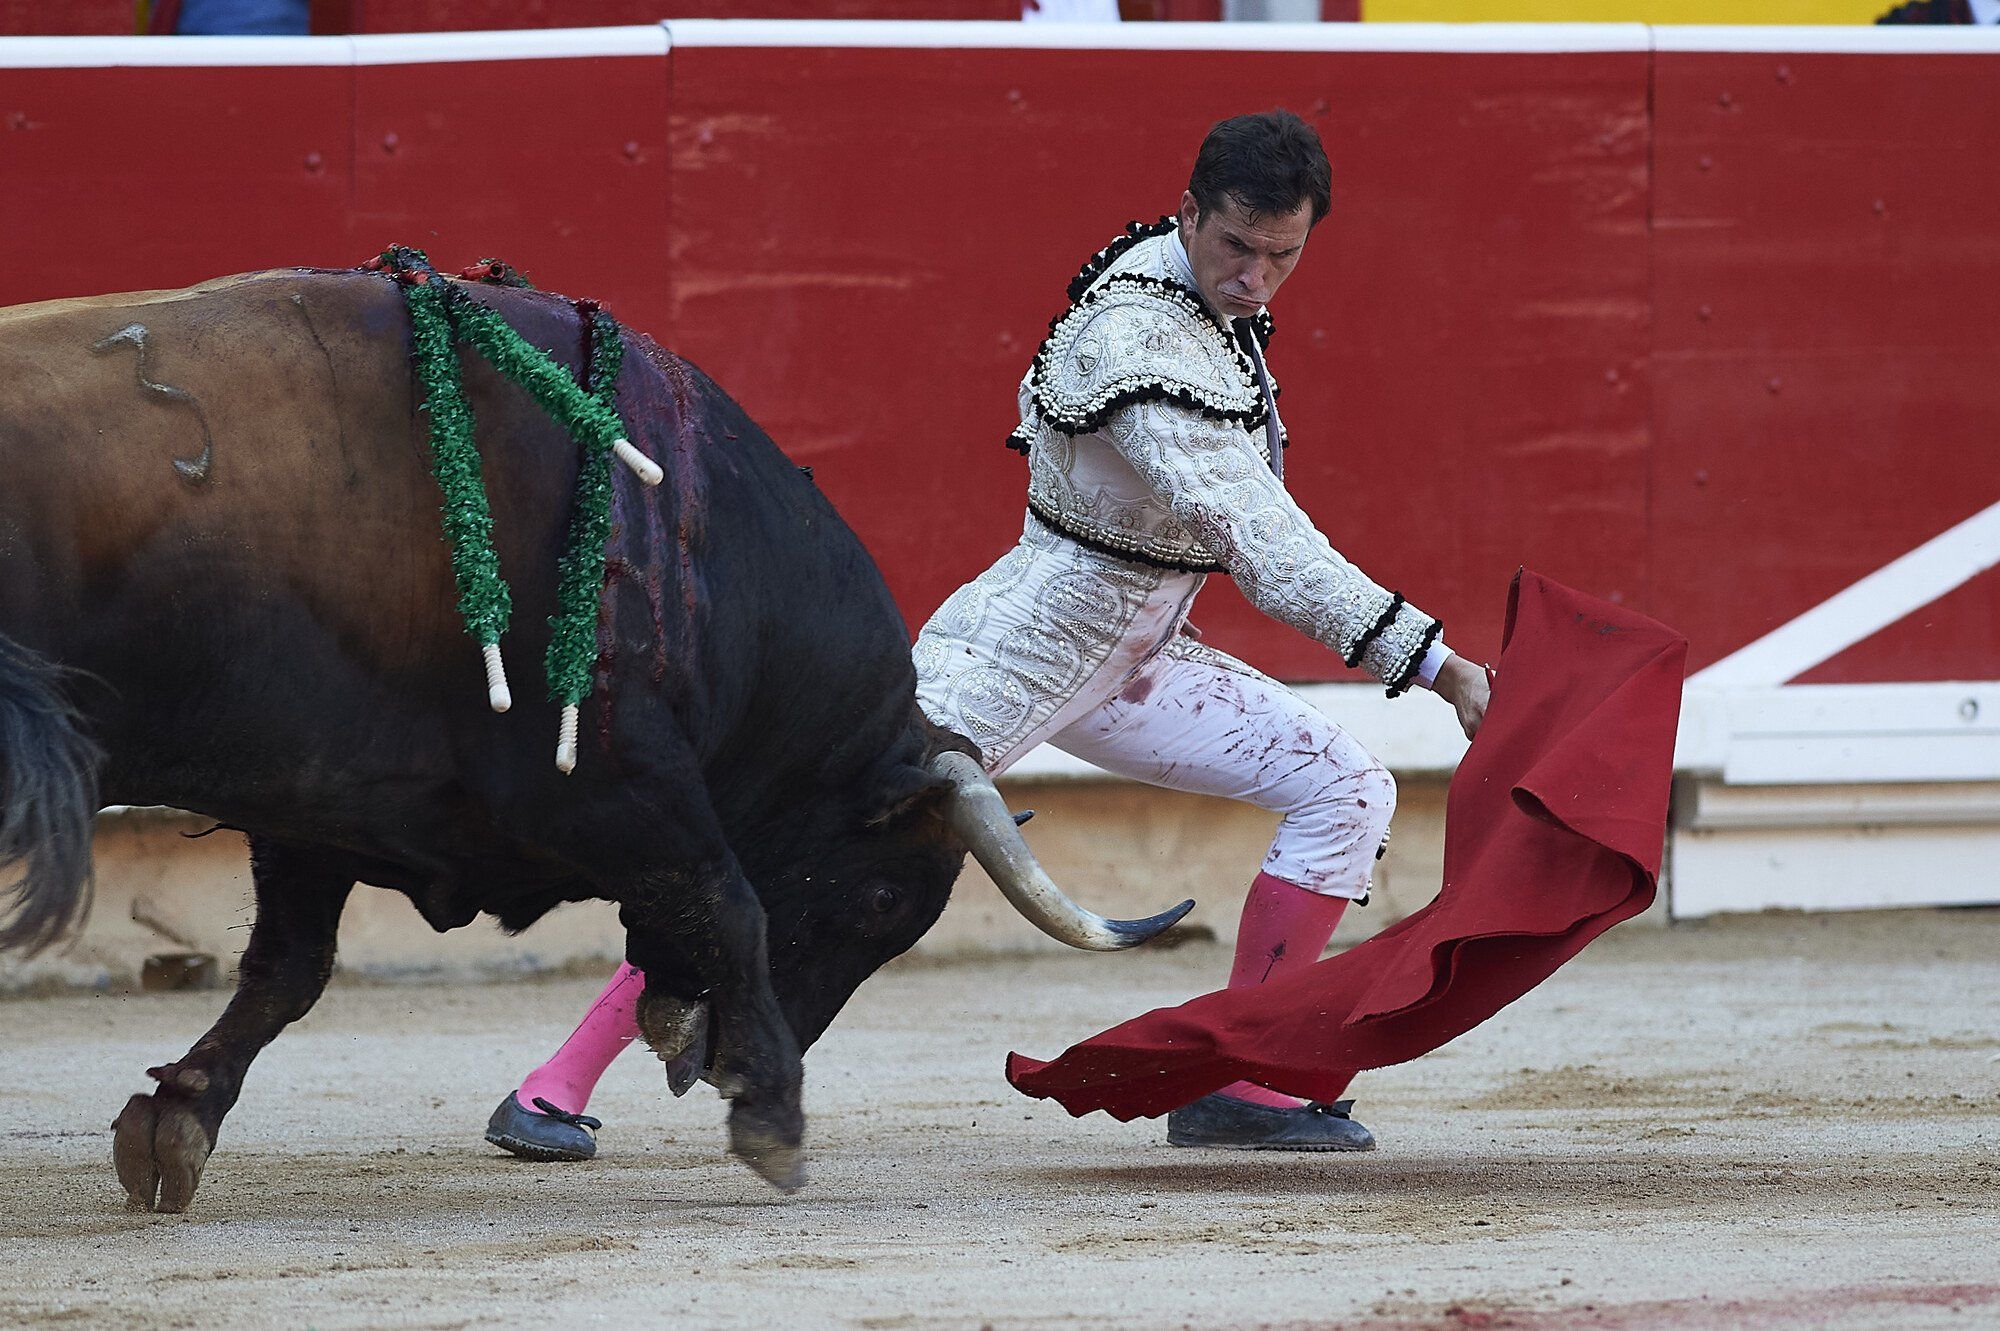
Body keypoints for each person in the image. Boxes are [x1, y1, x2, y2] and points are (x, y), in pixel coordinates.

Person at [483, 109, 1490, 1163]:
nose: (1255, 278)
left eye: (1282, 255)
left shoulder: (1199, 300)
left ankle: (1241, 1075)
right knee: (801, 845)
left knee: (1345, 785)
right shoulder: (1136, 338)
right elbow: (1263, 541)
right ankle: (553, 1085)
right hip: (1017, 652)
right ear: (1189, 213)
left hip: (1142, 660)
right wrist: (1437, 665)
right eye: (1236, 246)